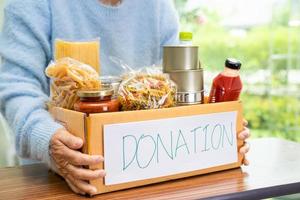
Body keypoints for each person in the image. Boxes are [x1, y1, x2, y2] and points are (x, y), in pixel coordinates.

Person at [0, 0, 250, 195]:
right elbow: (17, 88)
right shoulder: (33, 5)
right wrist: (47, 139)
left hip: (150, 173)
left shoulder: (158, 6)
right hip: (57, 179)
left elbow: (178, 90)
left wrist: (216, 128)